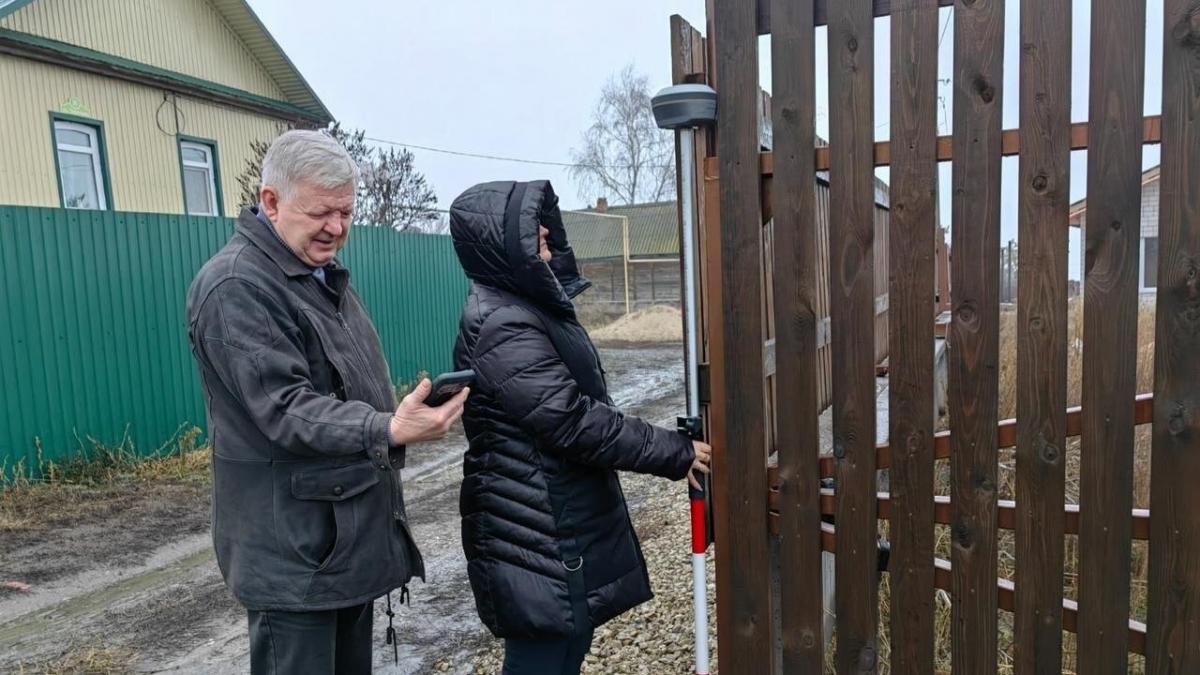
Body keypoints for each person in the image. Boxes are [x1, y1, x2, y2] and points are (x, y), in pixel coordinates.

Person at [186, 129, 468, 674]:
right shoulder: (237, 286)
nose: (337, 229)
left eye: (346, 213)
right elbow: (286, 408)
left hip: (339, 543)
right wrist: (384, 428)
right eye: (322, 213)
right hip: (294, 554)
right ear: (271, 201)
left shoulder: (318, 276)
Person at [448, 180, 712, 674]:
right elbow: (573, 421)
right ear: (501, 243)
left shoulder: (528, 308)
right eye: (530, 226)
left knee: (566, 646)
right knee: (543, 656)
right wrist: (673, 452)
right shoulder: (501, 322)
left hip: (554, 516)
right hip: (531, 526)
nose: (546, 231)